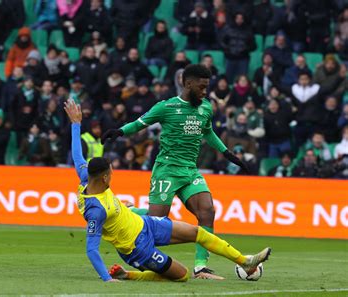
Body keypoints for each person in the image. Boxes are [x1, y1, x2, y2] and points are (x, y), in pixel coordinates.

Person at [64, 98, 271, 282]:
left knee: (197, 232)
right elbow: (91, 249)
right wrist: (106, 279)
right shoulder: (96, 210)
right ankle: (128, 274)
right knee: (182, 275)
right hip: (137, 248)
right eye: (112, 172)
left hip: (145, 224)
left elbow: (77, 155)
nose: (113, 174)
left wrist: (76, 124)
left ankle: (246, 261)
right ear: (105, 177)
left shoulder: (86, 178)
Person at [101, 64, 249, 279]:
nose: (205, 91)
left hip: (190, 170)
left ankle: (201, 267)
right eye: (202, 86)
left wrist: (228, 155)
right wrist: (119, 131)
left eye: (207, 87)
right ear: (188, 83)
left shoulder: (206, 107)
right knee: (157, 221)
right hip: (167, 171)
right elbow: (140, 123)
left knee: (207, 211)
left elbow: (209, 133)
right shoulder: (166, 107)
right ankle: (130, 212)